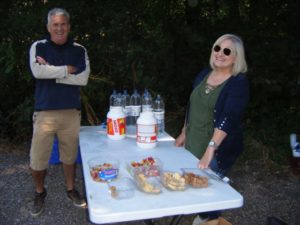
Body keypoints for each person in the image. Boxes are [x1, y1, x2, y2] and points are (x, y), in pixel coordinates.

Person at [175, 34, 249, 224]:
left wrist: (210, 150)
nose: (220, 54)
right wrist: (184, 131)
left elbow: (228, 118)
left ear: (236, 57)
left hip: (218, 150)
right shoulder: (204, 73)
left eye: (227, 51)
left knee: (209, 195)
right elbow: (193, 105)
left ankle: (210, 220)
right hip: (193, 142)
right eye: (217, 48)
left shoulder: (238, 83)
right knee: (192, 188)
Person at [28, 8, 90, 217]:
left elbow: (82, 79)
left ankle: (71, 190)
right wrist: (66, 69)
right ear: (48, 27)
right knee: (37, 159)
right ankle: (39, 192)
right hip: (44, 113)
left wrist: (52, 72)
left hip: (71, 112)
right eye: (55, 24)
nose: (59, 28)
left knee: (70, 157)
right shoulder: (39, 46)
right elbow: (37, 71)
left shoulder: (79, 50)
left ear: (69, 26)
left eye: (63, 24)